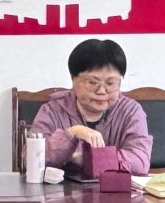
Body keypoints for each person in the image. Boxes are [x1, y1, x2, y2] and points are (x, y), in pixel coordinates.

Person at [29, 38, 153, 178]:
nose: (101, 91)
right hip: (63, 190)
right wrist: (71, 133)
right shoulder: (52, 110)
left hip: (116, 190)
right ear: (73, 79)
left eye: (110, 83)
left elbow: (140, 162)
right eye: (92, 82)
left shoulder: (131, 111)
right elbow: (33, 159)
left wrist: (86, 157)